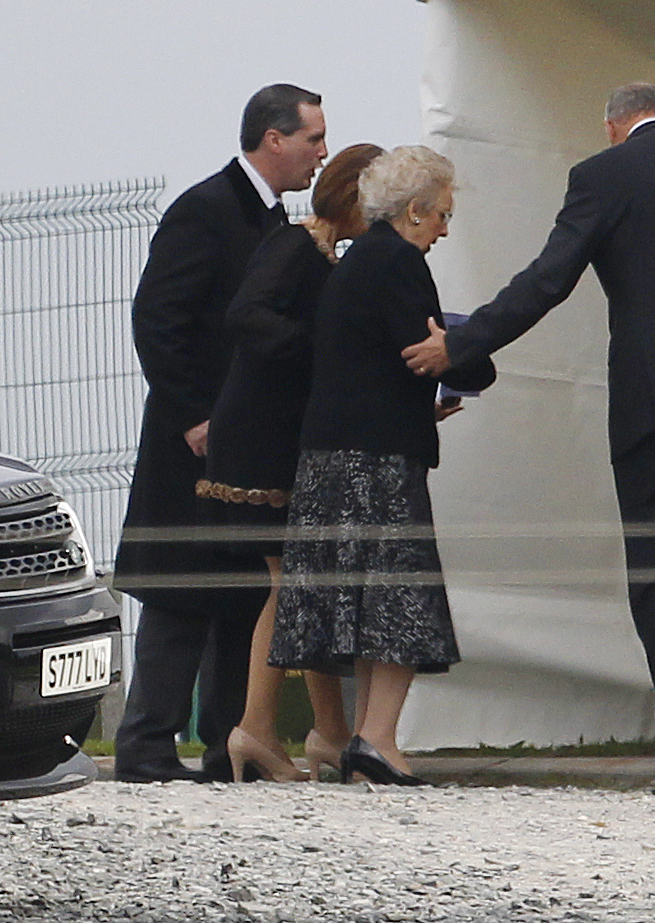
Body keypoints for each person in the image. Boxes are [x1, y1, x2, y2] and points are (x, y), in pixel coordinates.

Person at [401, 83, 655, 762]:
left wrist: (464, 344)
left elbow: (548, 279)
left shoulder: (602, 175)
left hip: (652, 394)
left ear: (612, 126)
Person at [113, 84, 329, 784]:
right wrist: (193, 417)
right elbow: (157, 319)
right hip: (194, 444)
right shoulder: (204, 210)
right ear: (274, 138)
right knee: (181, 590)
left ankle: (227, 741)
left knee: (240, 589)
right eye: (313, 139)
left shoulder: (269, 220)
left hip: (241, 444)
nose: (322, 154)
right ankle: (146, 745)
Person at [271, 145, 496, 785]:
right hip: (375, 460)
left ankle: (369, 742)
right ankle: (376, 737)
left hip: (330, 454)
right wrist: (473, 356)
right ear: (414, 210)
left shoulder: (356, 262)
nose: (444, 230)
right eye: (442, 215)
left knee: (369, 602)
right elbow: (425, 349)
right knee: (399, 597)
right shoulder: (398, 262)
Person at [196, 142, 385, 782]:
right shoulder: (295, 246)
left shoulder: (321, 255)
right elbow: (246, 314)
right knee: (290, 583)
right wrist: (318, 349)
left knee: (302, 582)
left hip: (280, 432)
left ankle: (327, 731)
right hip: (262, 437)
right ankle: (255, 729)